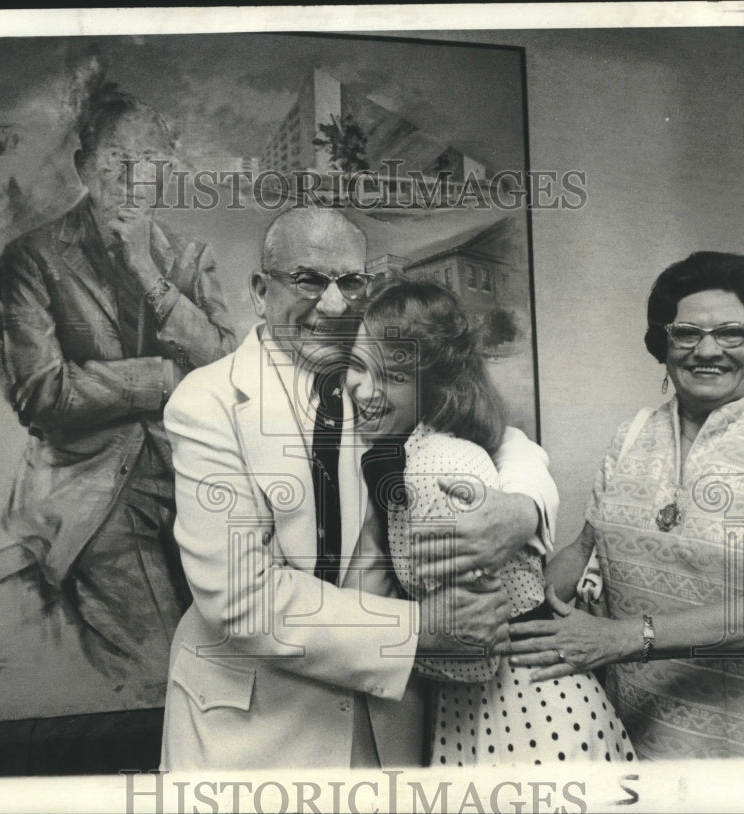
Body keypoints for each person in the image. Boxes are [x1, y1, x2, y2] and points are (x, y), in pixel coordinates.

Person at [160, 207, 558, 768]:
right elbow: (240, 599)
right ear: (258, 290)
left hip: (385, 721)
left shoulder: (371, 370)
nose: (333, 302)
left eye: (351, 282)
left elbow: (496, 432)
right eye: (308, 279)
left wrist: (522, 508)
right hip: (256, 728)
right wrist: (422, 627)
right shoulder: (206, 404)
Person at [509, 252, 744, 759]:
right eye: (687, 333)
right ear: (664, 343)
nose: (707, 350)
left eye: (732, 333)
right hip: (634, 727)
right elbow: (585, 549)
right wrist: (512, 618)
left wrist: (618, 639)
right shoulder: (630, 436)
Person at [0, 87, 237, 698]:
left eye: (150, 159)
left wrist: (150, 278)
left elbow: (230, 368)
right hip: (91, 488)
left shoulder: (187, 257)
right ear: (84, 167)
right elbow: (41, 391)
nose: (132, 176)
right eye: (115, 158)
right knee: (157, 679)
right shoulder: (33, 258)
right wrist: (160, 379)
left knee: (237, 655)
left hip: (194, 483)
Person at [347, 280, 635, 766]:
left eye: (393, 375)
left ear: (432, 384)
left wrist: (370, 642)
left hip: (522, 719)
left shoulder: (437, 466)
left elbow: (475, 644)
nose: (362, 387)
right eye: (357, 365)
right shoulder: (413, 449)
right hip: (483, 714)